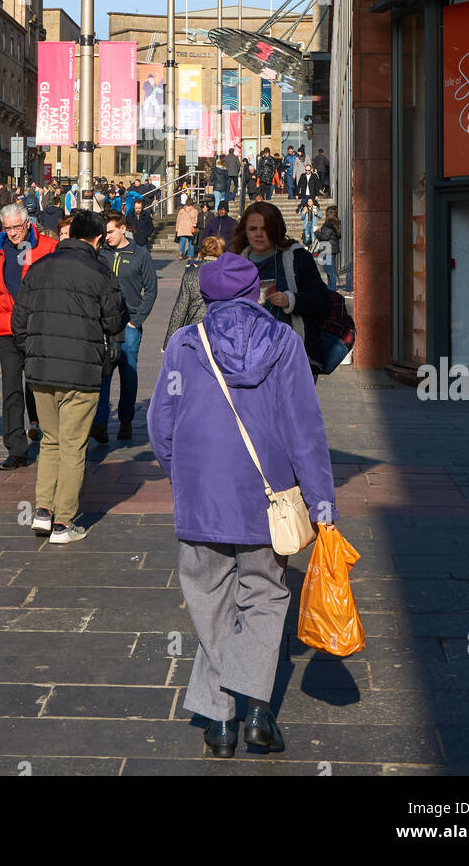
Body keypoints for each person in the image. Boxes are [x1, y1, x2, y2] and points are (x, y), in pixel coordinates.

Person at [148, 254, 337, 758]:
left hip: (201, 499)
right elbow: (305, 430)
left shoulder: (184, 346)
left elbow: (159, 425)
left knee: (209, 599)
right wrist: (320, 500)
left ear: (205, 296)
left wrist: (183, 477)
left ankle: (219, 719)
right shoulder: (283, 343)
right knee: (266, 594)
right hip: (267, 496)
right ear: (256, 291)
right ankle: (254, 711)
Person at [12, 209, 128, 544]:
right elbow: (114, 322)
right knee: (74, 446)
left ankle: (42, 511)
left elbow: (19, 322)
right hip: (81, 372)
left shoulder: (38, 268)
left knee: (50, 441)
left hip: (41, 372)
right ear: (94, 239)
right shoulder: (100, 272)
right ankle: (63, 523)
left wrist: (31, 353)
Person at [0, 201, 56, 467]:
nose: (13, 233)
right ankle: (16, 449)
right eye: (8, 228)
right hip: (7, 329)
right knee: (11, 389)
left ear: (28, 224)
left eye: (17, 227)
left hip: (39, 328)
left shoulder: (48, 248)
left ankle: (51, 438)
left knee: (42, 386)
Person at [230, 201, 330, 377]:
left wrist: (290, 300)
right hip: (250, 360)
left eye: (266, 228)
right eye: (253, 229)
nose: (259, 234)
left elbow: (323, 301)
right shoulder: (237, 263)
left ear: (276, 229)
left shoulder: (297, 257)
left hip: (293, 359)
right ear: (245, 231)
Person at [91, 211, 158, 444]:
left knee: (128, 373)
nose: (106, 237)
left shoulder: (140, 254)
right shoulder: (101, 254)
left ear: (122, 228)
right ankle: (100, 423)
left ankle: (126, 420)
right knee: (104, 373)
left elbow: (151, 290)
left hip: (129, 323)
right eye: (104, 233)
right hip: (106, 324)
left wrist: (136, 320)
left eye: (110, 232)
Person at [163, 235, 226, 347]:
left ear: (200, 253)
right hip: (222, 332)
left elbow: (180, 310)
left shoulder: (191, 275)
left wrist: (169, 343)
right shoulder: (229, 276)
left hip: (196, 331)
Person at [314, 205, 342, 291]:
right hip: (331, 249)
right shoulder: (335, 224)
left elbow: (325, 237)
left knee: (330, 271)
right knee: (330, 270)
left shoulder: (329, 225)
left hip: (327, 249)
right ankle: (330, 287)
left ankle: (332, 288)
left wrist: (316, 232)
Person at [175, 196, 198, 261]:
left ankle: (180, 254)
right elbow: (195, 220)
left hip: (182, 228)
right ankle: (190, 256)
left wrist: (177, 229)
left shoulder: (181, 210)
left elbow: (178, 220)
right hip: (190, 228)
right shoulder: (195, 211)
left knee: (182, 241)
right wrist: (194, 226)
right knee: (191, 242)